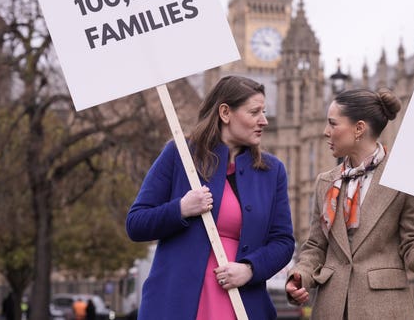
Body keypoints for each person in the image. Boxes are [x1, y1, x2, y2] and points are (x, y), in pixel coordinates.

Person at [285, 88, 414, 318]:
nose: (326, 132)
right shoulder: (326, 182)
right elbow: (315, 247)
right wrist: (300, 275)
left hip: (384, 308)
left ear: (359, 128)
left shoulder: (405, 178)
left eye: (333, 124)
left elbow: (413, 249)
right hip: (331, 309)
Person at [126, 76, 295, 320]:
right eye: (254, 112)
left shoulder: (272, 171)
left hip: (241, 303)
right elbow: (136, 223)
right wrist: (181, 208)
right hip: (177, 303)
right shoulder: (179, 154)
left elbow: (282, 242)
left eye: (264, 112)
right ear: (225, 112)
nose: (264, 121)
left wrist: (250, 269)